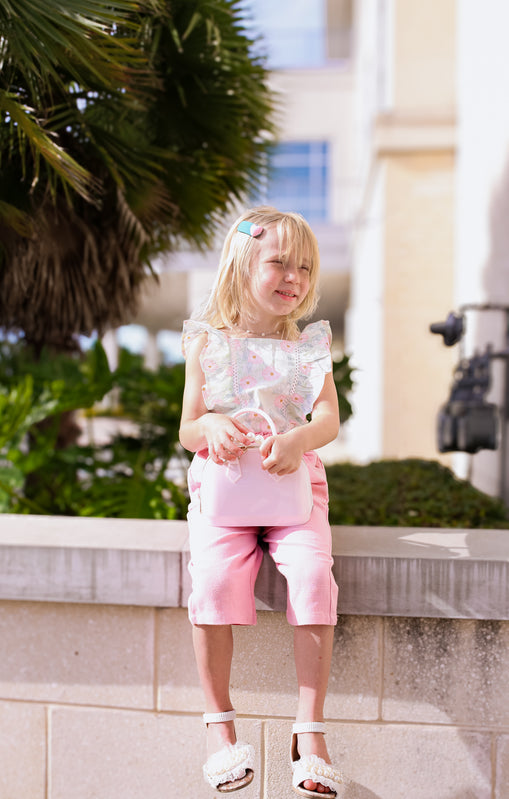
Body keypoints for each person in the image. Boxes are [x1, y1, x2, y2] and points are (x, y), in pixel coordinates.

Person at [179, 206, 345, 797]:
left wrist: (298, 440)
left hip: (293, 486)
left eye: (305, 267)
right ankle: (219, 728)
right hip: (225, 488)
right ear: (242, 264)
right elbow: (188, 428)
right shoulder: (208, 344)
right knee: (213, 580)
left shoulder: (309, 347)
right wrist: (211, 425)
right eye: (279, 263)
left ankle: (310, 730)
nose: (293, 277)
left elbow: (328, 419)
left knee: (312, 574)